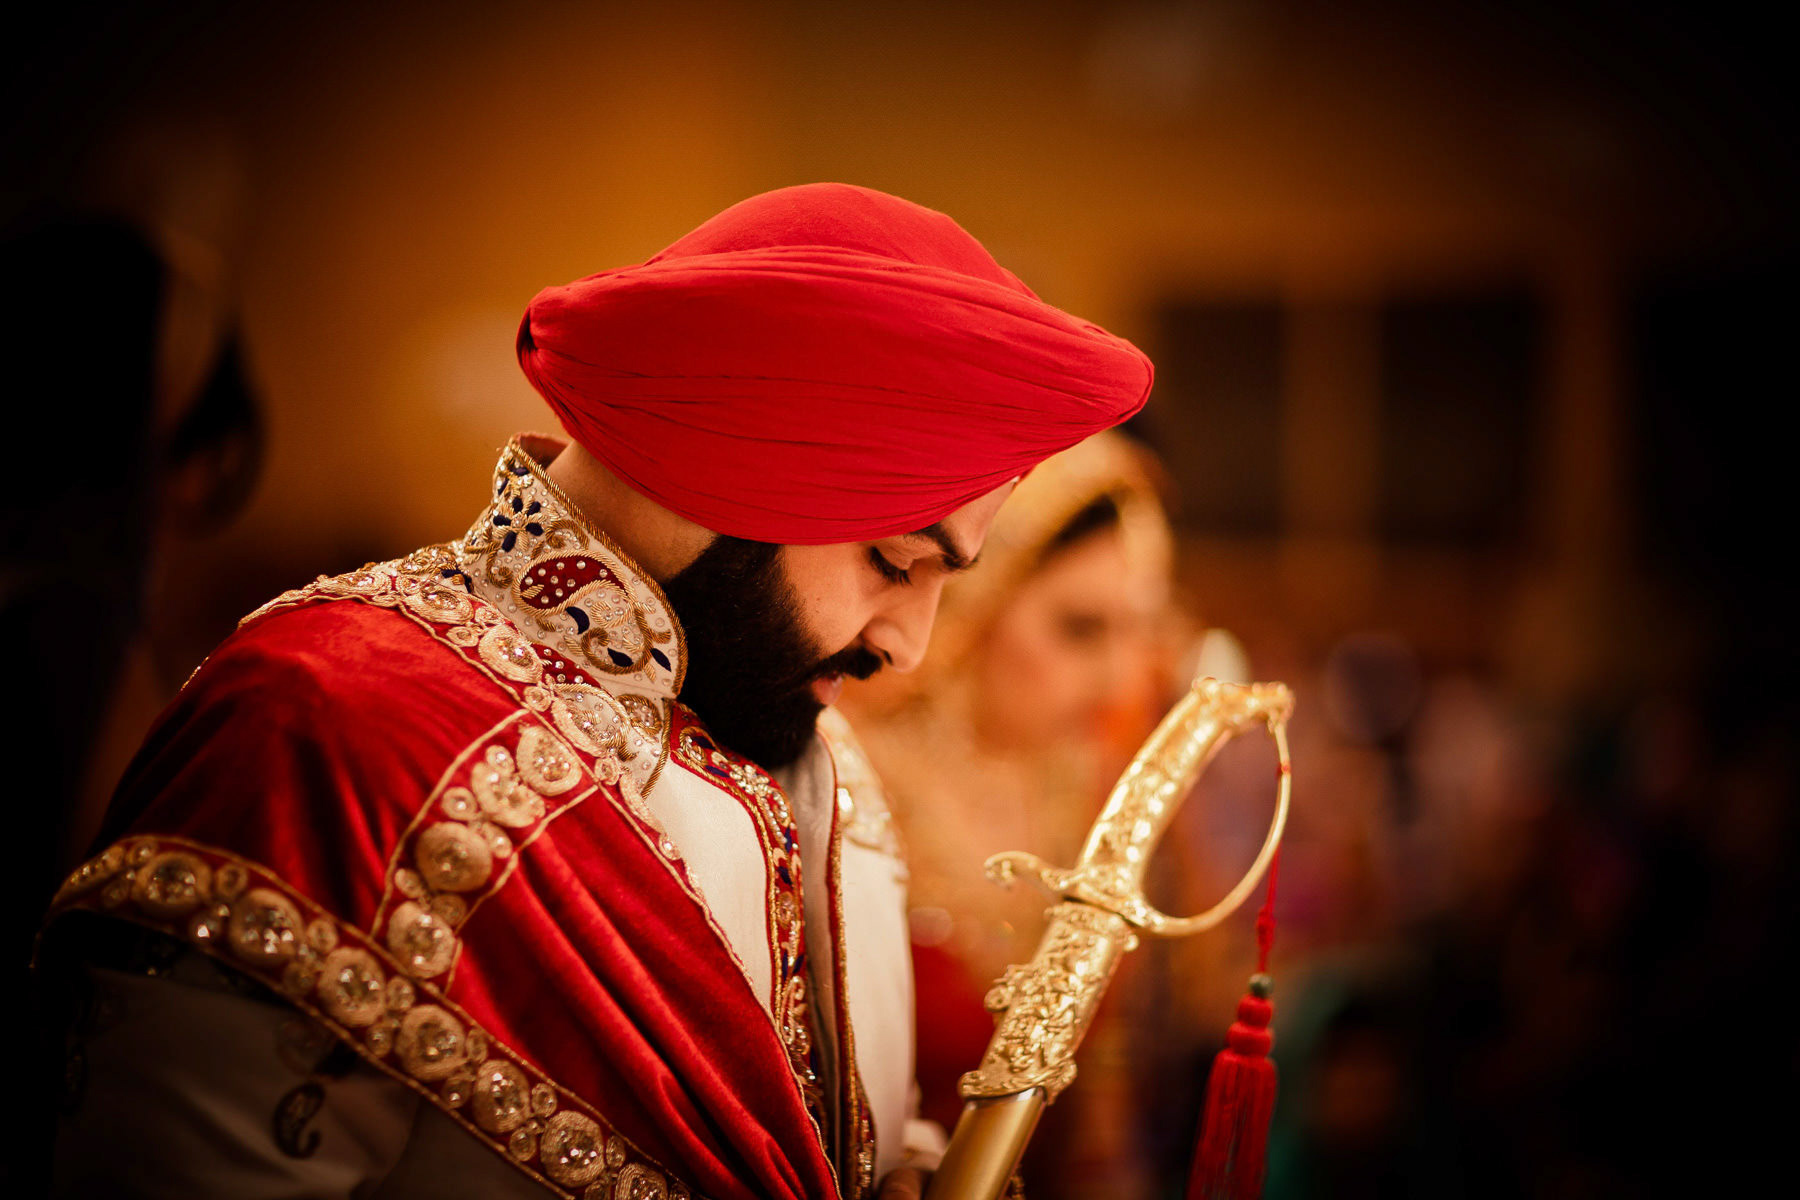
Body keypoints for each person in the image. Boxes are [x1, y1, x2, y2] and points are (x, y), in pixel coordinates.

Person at [34, 183, 1152, 1200]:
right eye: (897, 565)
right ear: (740, 468)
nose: (911, 647)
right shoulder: (324, 720)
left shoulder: (815, 754)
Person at [836, 429, 1177, 1198]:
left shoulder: (1089, 784)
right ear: (973, 602)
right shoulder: (845, 780)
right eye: (1080, 628)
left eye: (1139, 629)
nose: (1121, 677)